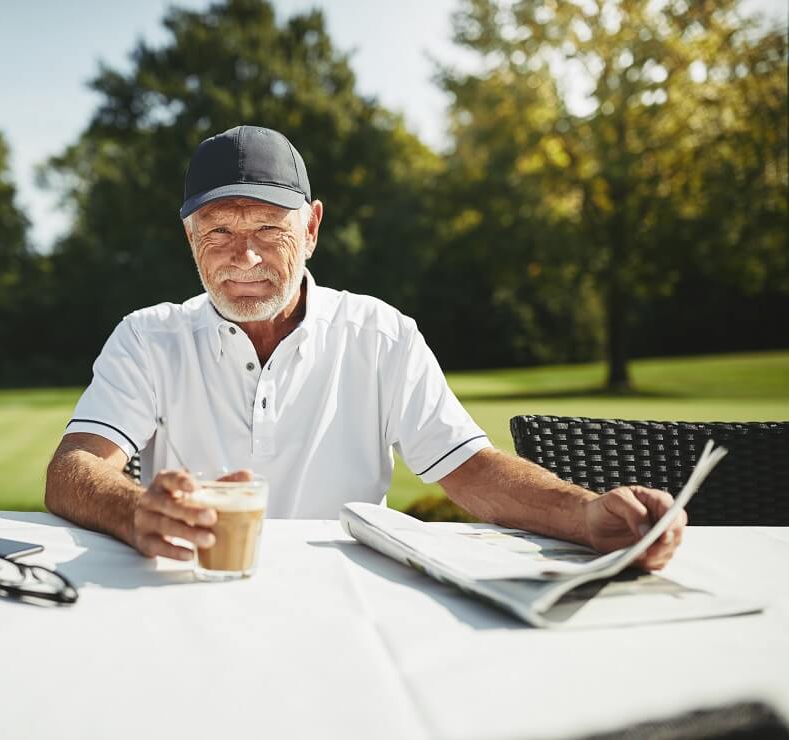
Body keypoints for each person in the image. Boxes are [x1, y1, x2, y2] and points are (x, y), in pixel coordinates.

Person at [44, 125, 686, 569]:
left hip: (346, 602)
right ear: (189, 235)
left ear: (313, 227)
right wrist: (136, 511)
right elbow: (73, 471)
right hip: (194, 588)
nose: (244, 256)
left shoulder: (381, 334)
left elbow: (471, 470)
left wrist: (587, 513)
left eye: (270, 228)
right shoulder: (147, 336)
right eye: (217, 231)